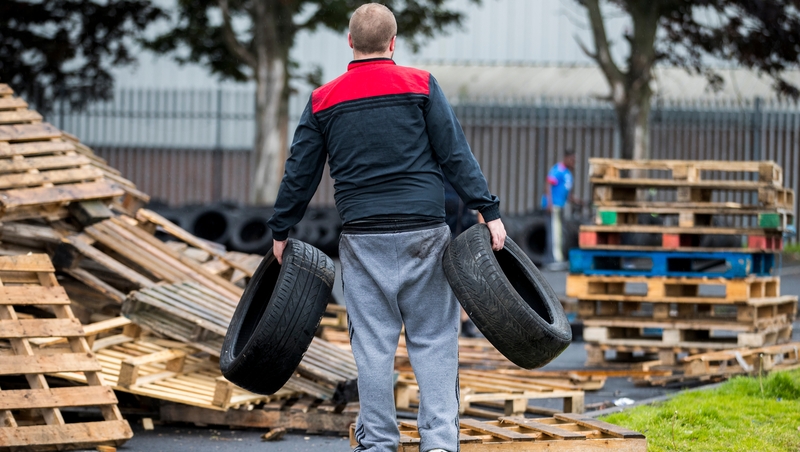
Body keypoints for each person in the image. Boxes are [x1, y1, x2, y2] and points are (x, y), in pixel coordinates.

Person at [266, 4, 506, 452]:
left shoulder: (323, 100)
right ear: (393, 43)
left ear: (350, 43)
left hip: (362, 238)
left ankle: (377, 443)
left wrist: (281, 230)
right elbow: (455, 153)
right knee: (434, 340)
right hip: (425, 236)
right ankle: (438, 444)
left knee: (373, 347)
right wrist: (487, 211)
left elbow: (300, 172)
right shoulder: (420, 85)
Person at [542, 150, 577, 270]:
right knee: (554, 233)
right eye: (572, 160)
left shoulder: (568, 173)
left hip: (560, 206)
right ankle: (553, 260)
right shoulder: (558, 170)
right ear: (566, 158)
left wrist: (576, 200)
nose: (574, 163)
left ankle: (557, 258)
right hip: (554, 206)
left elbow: (566, 192)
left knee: (559, 232)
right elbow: (548, 183)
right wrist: (550, 203)